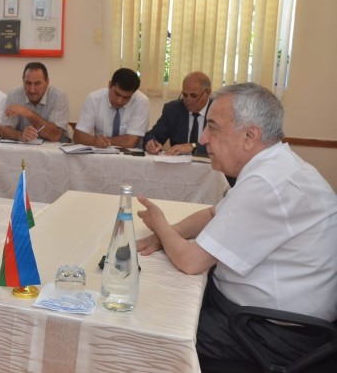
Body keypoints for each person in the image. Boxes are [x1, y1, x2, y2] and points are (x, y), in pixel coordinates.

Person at [135, 82, 337, 366]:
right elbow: (212, 214)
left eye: (213, 128)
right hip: (268, 317)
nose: (203, 139)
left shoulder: (268, 182)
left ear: (250, 136)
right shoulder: (276, 165)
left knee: (152, 333)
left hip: (271, 331)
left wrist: (160, 225)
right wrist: (169, 234)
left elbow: (191, 261)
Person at [73, 67, 149, 149]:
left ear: (133, 93)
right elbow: (78, 136)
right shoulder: (94, 99)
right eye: (117, 94)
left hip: (129, 154)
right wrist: (95, 141)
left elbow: (130, 142)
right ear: (110, 85)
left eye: (126, 97)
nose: (119, 101)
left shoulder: (141, 101)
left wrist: (103, 141)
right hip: (100, 153)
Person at [144, 71, 212, 155]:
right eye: (185, 95)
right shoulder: (173, 109)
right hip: (179, 162)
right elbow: (153, 135)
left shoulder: (219, 111)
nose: (188, 100)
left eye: (193, 96)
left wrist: (192, 147)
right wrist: (151, 143)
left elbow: (221, 146)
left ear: (208, 93)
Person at [0, 62, 70, 143]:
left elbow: (55, 136)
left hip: (54, 147)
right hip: (24, 147)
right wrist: (20, 135)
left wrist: (29, 114)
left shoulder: (59, 96)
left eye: (37, 83)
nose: (31, 90)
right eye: (28, 83)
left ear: (47, 82)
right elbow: (4, 130)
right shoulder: (14, 95)